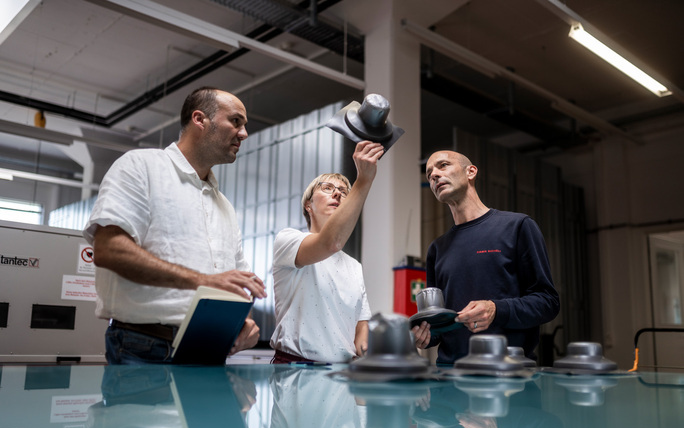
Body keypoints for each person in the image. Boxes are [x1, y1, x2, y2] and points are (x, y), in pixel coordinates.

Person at [83, 86, 267, 365]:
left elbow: (238, 281)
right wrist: (204, 281)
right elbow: (109, 250)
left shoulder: (224, 206)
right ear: (199, 119)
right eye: (235, 121)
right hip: (144, 346)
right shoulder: (140, 167)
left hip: (210, 347)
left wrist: (246, 322)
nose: (244, 133)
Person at [413, 150, 560, 364]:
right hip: (449, 375)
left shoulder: (517, 227)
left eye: (443, 165)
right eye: (429, 174)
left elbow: (548, 302)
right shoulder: (437, 249)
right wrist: (425, 335)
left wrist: (496, 309)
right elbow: (438, 326)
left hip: (507, 372)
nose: (434, 175)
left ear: (471, 172)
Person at [269, 140, 385, 364]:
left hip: (343, 373)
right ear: (308, 205)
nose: (337, 194)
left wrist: (378, 354)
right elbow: (330, 243)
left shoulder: (354, 266)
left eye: (344, 192)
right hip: (295, 369)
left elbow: (361, 330)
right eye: (327, 188)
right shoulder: (288, 240)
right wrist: (364, 180)